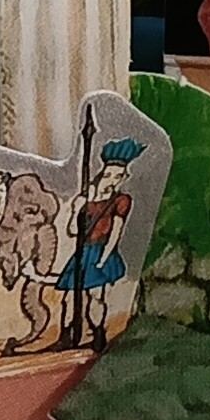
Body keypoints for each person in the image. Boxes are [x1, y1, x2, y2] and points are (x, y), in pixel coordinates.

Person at [54, 139, 145, 351]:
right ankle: (66, 336)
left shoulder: (121, 201)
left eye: (117, 176)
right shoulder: (86, 199)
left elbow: (116, 232)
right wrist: (76, 210)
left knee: (95, 296)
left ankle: (98, 335)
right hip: (82, 252)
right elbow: (72, 231)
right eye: (109, 174)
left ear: (123, 178)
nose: (112, 180)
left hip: (100, 252)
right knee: (69, 298)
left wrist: (104, 259)